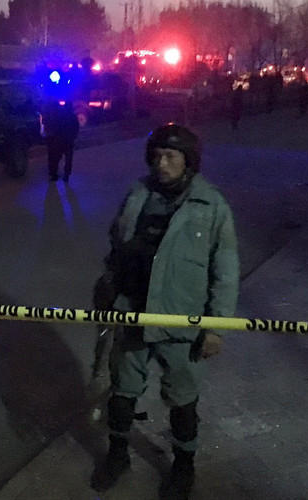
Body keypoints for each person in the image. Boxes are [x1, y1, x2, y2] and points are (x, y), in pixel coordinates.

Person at [90, 123, 240, 500]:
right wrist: (109, 286)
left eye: (171, 156)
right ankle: (118, 454)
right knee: (122, 393)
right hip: (131, 313)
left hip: (180, 321)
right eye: (157, 155)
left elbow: (225, 269)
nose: (162, 163)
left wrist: (215, 327)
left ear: (189, 161)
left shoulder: (210, 205)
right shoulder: (138, 194)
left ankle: (183, 466)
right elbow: (116, 244)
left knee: (182, 397)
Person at [47, 101, 80, 182]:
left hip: (60, 140)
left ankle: (54, 174)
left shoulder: (60, 116)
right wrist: (73, 137)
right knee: (68, 158)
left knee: (56, 157)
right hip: (69, 140)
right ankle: (66, 175)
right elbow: (76, 128)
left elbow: (56, 127)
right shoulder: (73, 117)